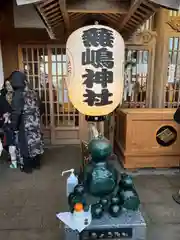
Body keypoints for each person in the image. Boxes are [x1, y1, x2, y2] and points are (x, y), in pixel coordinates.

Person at [10, 71, 44, 173]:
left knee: (24, 145)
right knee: (36, 143)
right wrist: (36, 117)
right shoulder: (33, 92)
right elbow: (41, 107)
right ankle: (37, 164)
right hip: (35, 123)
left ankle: (27, 167)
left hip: (24, 125)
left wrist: (14, 127)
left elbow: (16, 113)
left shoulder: (17, 95)